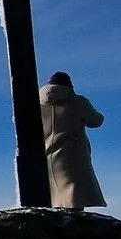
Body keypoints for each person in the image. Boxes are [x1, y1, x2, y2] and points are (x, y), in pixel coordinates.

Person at [40, 71, 106, 210]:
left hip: (47, 154)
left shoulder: (38, 105)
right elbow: (94, 121)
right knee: (75, 191)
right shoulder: (77, 101)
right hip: (72, 152)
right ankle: (76, 225)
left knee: (56, 193)